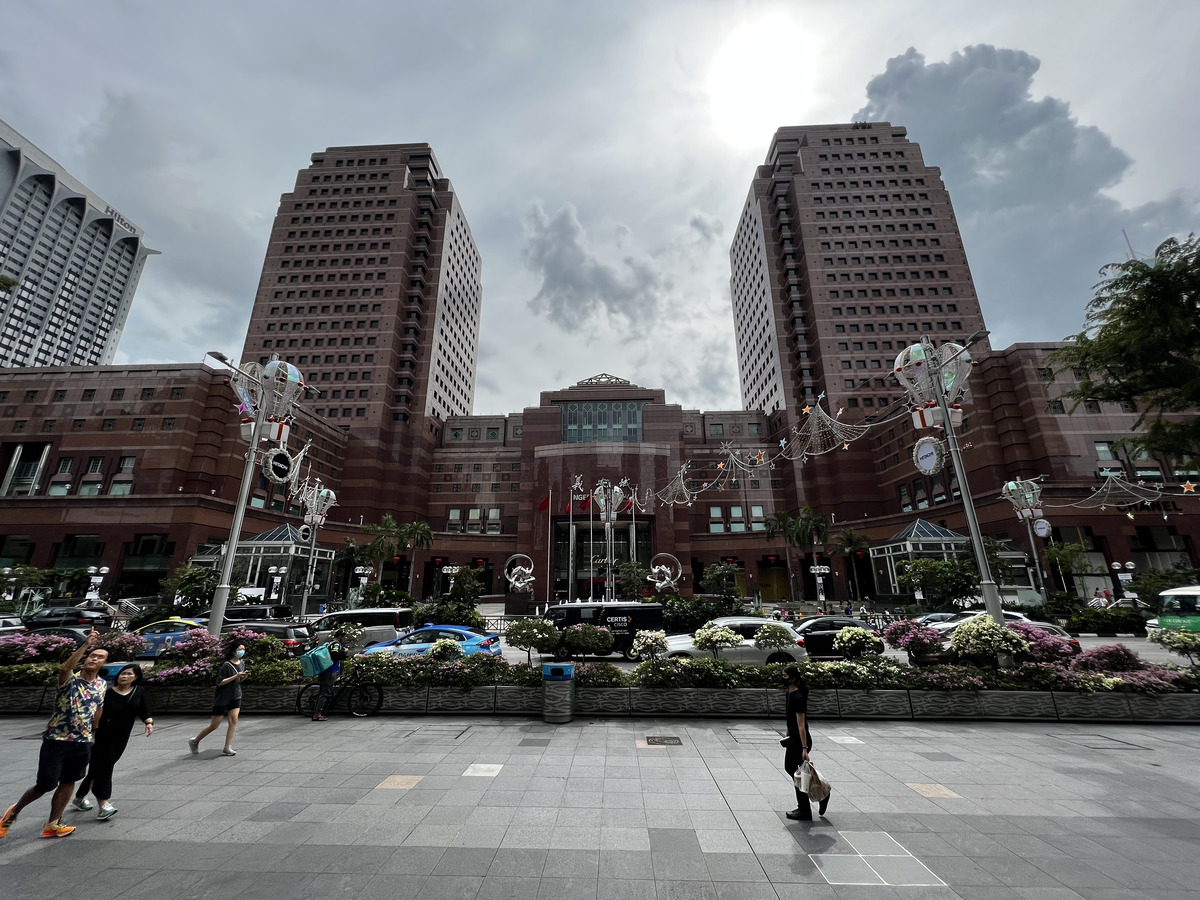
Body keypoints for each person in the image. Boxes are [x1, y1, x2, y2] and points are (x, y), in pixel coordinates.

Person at [0, 631, 108, 839]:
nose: (94, 659)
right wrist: (86, 645)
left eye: (99, 657)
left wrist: (94, 732)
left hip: (82, 742)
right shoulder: (69, 679)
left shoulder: (101, 684)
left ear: (104, 663)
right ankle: (12, 814)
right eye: (92, 656)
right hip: (56, 740)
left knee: (69, 781)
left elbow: (99, 708)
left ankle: (52, 824)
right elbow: (65, 667)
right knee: (46, 783)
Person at [71, 664, 153, 820]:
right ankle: (104, 805)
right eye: (122, 673)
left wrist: (148, 722)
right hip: (102, 735)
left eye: (129, 674)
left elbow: (143, 708)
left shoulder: (138, 691)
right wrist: (92, 734)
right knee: (105, 768)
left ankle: (79, 798)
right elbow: (95, 712)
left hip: (121, 738)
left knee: (97, 769)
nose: (124, 676)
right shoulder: (107, 693)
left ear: (135, 677)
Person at [780, 664, 830, 822]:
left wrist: (804, 748)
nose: (783, 679)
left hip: (800, 740)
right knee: (798, 772)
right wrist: (788, 730)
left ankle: (808, 807)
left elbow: (801, 725)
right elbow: (791, 718)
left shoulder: (798, 697)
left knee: (794, 770)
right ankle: (808, 805)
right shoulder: (790, 694)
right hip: (793, 738)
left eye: (785, 676)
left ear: (793, 678)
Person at [188, 642, 246, 757]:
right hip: (223, 697)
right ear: (234, 651)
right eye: (240, 649)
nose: (242, 651)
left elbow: (239, 681)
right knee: (214, 725)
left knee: (233, 720)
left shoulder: (242, 663)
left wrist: (244, 676)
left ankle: (227, 747)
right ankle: (195, 741)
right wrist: (236, 676)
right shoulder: (226, 665)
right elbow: (220, 682)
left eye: (243, 649)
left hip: (236, 695)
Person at [312, 629, 350, 721]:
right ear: (340, 637)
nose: (345, 639)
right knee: (325, 693)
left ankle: (318, 712)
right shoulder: (336, 644)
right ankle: (317, 714)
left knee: (323, 692)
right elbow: (335, 654)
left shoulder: (329, 643)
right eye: (344, 637)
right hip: (330, 671)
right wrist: (344, 652)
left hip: (325, 670)